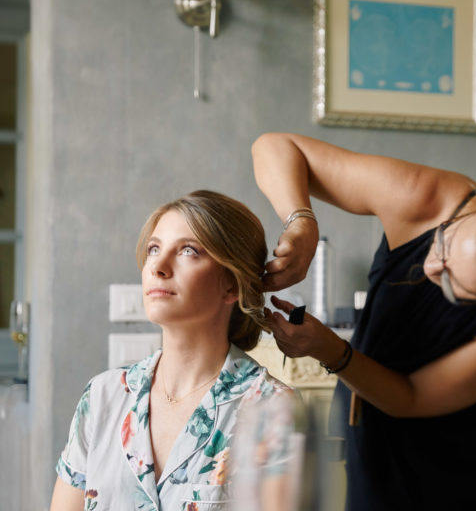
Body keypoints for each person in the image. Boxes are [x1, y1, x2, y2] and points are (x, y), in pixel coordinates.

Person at [251, 133, 476, 510]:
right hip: (378, 459)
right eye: (445, 243)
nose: (432, 266)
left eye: (451, 281)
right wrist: (301, 222)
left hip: (466, 482)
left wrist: (329, 350)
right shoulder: (427, 197)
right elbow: (275, 147)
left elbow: (410, 397)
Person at [50, 190, 294, 511]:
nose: (158, 266)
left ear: (232, 285)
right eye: (154, 249)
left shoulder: (273, 411)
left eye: (188, 250)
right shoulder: (101, 397)